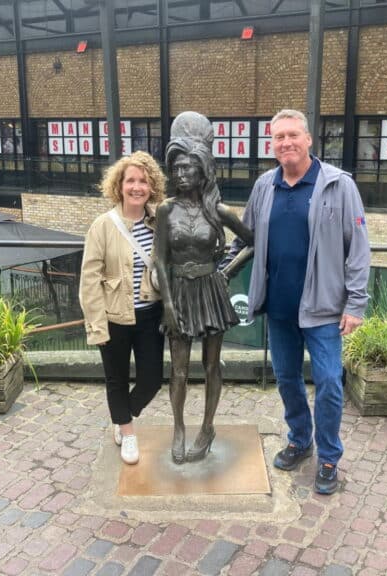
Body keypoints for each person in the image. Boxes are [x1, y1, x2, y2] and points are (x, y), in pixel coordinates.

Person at [229, 109, 370, 494]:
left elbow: (358, 250)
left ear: (309, 139)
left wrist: (355, 304)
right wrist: (220, 266)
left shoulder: (339, 186)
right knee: (287, 378)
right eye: (279, 137)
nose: (286, 142)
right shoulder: (264, 186)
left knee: (328, 382)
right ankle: (299, 439)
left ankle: (329, 456)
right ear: (271, 144)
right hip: (279, 307)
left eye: (293, 135)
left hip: (324, 309)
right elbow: (245, 237)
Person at [154, 115, 253, 465]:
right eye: (176, 168)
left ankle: (207, 426)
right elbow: (159, 261)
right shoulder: (165, 210)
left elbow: (252, 242)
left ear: (203, 171)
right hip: (178, 293)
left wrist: (227, 271)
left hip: (211, 292)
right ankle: (178, 427)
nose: (181, 174)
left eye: (188, 168)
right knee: (179, 369)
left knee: (211, 365)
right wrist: (167, 303)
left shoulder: (218, 210)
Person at [79, 151, 167, 465]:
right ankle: (127, 433)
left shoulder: (159, 221)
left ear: (151, 186)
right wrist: (96, 324)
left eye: (143, 180)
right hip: (114, 316)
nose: (137, 186)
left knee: (152, 379)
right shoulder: (103, 226)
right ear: (119, 185)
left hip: (150, 314)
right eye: (131, 180)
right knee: (116, 378)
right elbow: (89, 279)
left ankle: (122, 415)